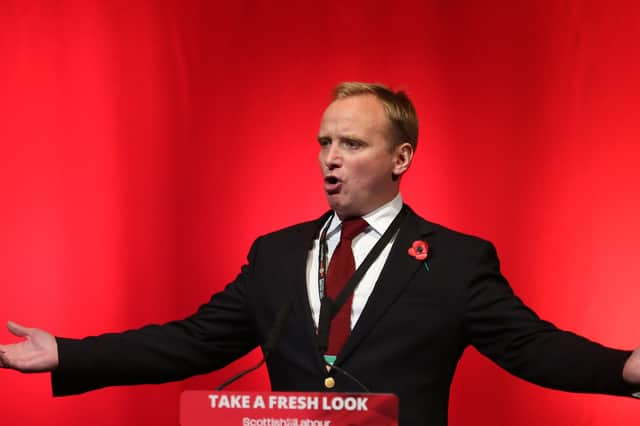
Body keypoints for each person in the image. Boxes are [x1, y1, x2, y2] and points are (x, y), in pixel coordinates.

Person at [1, 82, 639, 426]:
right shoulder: (277, 255)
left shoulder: (455, 260)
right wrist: (67, 353)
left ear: (401, 158)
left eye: (352, 144)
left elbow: (535, 348)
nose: (331, 159)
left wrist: (628, 369)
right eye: (324, 141)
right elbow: (192, 342)